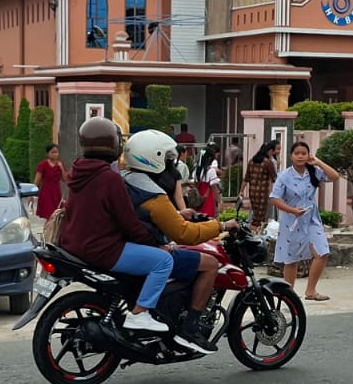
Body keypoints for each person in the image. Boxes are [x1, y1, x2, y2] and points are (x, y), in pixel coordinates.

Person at [56, 117, 179, 336]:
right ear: (114, 145)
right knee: (163, 261)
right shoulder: (109, 178)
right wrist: (156, 245)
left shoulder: (78, 172)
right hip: (102, 249)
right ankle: (140, 314)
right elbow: (129, 223)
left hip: (74, 245)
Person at [122, 130, 241, 350]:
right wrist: (222, 225)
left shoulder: (127, 179)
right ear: (153, 157)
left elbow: (144, 218)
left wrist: (177, 215)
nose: (170, 163)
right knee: (210, 264)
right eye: (166, 158)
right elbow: (185, 234)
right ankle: (189, 329)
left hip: (133, 246)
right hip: (147, 250)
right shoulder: (153, 194)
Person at [269, 140, 340, 301]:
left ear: (308, 155)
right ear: (291, 156)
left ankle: (311, 290)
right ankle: (289, 294)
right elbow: (274, 198)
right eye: (297, 153)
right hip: (291, 221)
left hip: (311, 219)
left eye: (304, 153)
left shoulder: (313, 171)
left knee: (322, 252)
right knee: (291, 258)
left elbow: (334, 176)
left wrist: (318, 162)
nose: (300, 156)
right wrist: (292, 210)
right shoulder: (284, 176)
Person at [245, 141, 280, 233]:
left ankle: (252, 233)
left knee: (256, 215)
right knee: (263, 217)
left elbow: (246, 178)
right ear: (270, 151)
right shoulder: (269, 162)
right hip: (264, 193)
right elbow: (274, 178)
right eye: (277, 149)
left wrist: (241, 191)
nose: (278, 152)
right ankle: (258, 235)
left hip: (253, 192)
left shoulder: (252, 161)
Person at [34, 143, 65, 220]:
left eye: (56, 152)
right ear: (48, 154)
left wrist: (61, 168)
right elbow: (37, 180)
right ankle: (47, 231)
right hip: (46, 192)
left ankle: (53, 231)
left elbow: (65, 179)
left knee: (57, 215)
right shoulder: (43, 165)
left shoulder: (60, 164)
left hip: (56, 192)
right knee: (49, 216)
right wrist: (32, 193)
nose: (55, 154)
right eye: (52, 152)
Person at [196, 141, 222, 217]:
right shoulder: (211, 171)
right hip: (208, 199)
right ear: (210, 158)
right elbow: (214, 189)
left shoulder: (196, 171)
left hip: (198, 200)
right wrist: (220, 202)